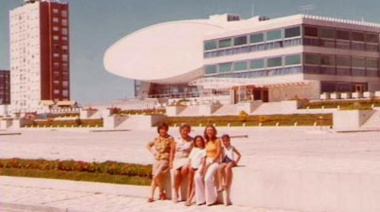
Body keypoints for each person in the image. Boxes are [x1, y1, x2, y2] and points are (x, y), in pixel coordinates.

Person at [146, 123, 175, 203]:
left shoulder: (170, 138)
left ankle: (161, 192)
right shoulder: (156, 138)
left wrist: (171, 162)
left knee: (156, 175)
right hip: (157, 160)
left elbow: (173, 151)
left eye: (164, 129)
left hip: (165, 160)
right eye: (161, 129)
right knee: (154, 177)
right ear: (159, 130)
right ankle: (152, 196)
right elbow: (148, 145)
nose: (163, 131)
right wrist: (153, 152)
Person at [194, 125, 222, 206]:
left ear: (214, 131)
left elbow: (219, 152)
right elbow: (204, 154)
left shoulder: (217, 140)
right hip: (206, 160)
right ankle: (201, 199)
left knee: (207, 178)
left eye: (211, 130)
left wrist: (211, 161)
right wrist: (203, 164)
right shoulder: (206, 141)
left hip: (215, 161)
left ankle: (211, 199)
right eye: (208, 130)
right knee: (197, 177)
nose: (209, 132)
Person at [171, 123, 193, 203]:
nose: (185, 132)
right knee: (176, 173)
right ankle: (175, 192)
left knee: (184, 169)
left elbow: (194, 151)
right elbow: (172, 151)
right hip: (177, 159)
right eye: (184, 130)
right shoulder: (176, 140)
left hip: (187, 159)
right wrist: (171, 162)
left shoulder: (192, 140)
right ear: (180, 131)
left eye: (187, 130)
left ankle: (176, 186)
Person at [185, 135, 206, 206]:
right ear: (195, 142)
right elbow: (190, 159)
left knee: (194, 184)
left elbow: (203, 160)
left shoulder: (204, 150)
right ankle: (188, 197)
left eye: (200, 140)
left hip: (197, 168)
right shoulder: (194, 149)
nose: (199, 142)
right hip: (192, 167)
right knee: (189, 182)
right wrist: (190, 166)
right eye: (197, 141)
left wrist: (201, 168)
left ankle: (190, 199)